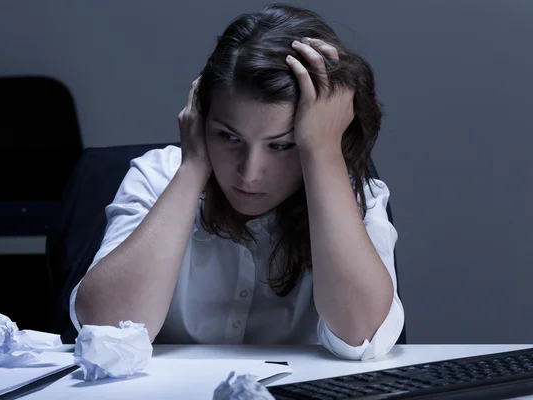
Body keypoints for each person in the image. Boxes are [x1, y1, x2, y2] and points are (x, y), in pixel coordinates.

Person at [71, 3, 404, 361]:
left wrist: (322, 152)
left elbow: (361, 335)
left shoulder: (354, 195)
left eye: (281, 145)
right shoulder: (156, 176)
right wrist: (193, 167)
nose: (249, 172)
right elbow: (103, 330)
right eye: (229, 138)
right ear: (199, 121)